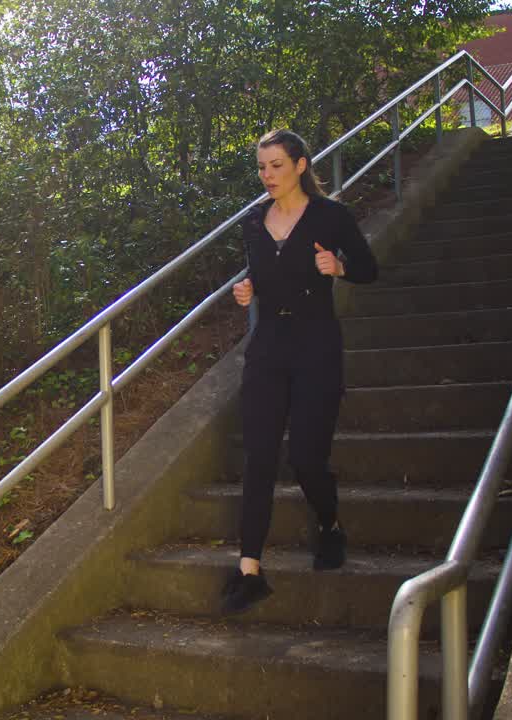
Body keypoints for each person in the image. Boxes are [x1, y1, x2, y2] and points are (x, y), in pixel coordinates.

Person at [220, 129, 378, 615]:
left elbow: (368, 268)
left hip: (316, 346)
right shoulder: (253, 222)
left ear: (301, 166)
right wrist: (246, 290)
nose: (267, 175)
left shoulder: (330, 217)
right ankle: (250, 568)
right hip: (268, 346)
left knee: (307, 457)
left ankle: (329, 525)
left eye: (276, 166)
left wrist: (338, 268)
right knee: (260, 457)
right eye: (262, 167)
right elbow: (262, 276)